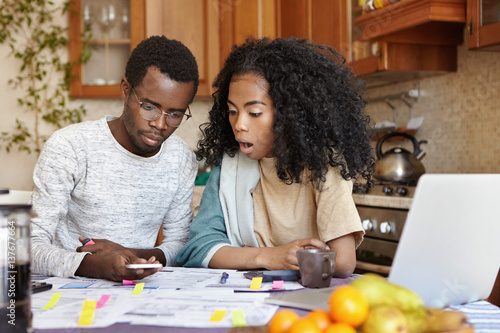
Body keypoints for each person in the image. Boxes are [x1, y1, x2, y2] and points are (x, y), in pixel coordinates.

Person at [176, 37, 375, 278]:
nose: (239, 124)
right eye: (232, 111)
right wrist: (270, 257)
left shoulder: (325, 167)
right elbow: (197, 248)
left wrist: (251, 255)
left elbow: (343, 262)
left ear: (289, 114)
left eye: (255, 112)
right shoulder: (230, 165)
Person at [30, 36, 199, 281]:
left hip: (139, 291)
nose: (160, 125)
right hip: (65, 291)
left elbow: (181, 245)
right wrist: (95, 265)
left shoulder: (181, 158)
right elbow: (26, 245)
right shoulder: (71, 146)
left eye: (175, 114)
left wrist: (128, 256)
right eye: (149, 107)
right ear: (126, 89)